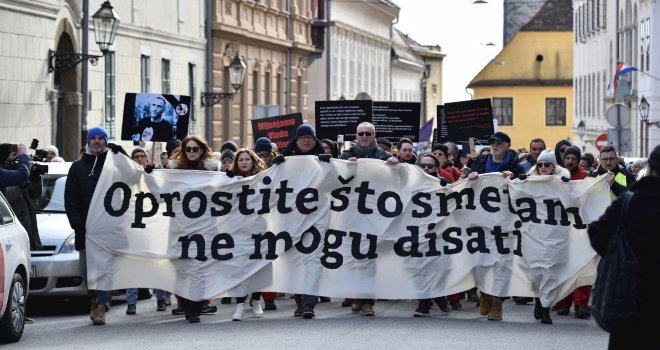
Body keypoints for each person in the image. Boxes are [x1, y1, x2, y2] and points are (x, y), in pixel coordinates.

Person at [587, 144, 660, 350]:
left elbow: (597, 234)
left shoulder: (630, 202)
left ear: (651, 170)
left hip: (630, 292)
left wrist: (617, 254)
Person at [64, 126, 126, 325]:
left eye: (101, 138)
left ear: (106, 141)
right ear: (88, 142)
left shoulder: (113, 164)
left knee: (106, 267)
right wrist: (76, 224)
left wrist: (122, 153)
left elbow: (133, 174)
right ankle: (94, 297)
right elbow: (70, 198)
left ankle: (102, 303)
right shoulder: (77, 167)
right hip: (85, 230)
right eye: (94, 138)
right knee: (87, 268)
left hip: (109, 227)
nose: (97, 141)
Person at [339, 122, 398, 316]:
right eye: (360, 133)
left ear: (374, 135)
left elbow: (397, 181)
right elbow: (337, 180)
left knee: (370, 257)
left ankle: (368, 301)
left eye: (368, 133)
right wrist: (348, 168)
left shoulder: (384, 156)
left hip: (375, 214)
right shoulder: (346, 156)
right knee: (354, 257)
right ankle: (357, 295)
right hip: (352, 215)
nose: (364, 136)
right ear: (356, 136)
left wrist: (394, 167)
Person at [467, 131, 524, 321]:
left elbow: (525, 187)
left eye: (499, 142)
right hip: (482, 222)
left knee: (502, 264)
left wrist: (514, 176)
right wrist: (471, 177)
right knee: (481, 261)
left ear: (508, 145)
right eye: (492, 142)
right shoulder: (480, 163)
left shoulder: (516, 166)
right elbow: (464, 180)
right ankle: (485, 293)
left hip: (505, 224)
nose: (495, 145)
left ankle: (498, 302)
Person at [168, 135, 220, 323]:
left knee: (200, 268)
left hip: (204, 227)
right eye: (188, 149)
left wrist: (230, 177)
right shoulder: (173, 172)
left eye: (195, 149)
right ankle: (187, 303)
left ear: (202, 150)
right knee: (183, 268)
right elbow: (161, 194)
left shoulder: (213, 171)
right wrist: (148, 174)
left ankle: (196, 307)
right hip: (181, 227)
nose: (191, 152)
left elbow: (225, 192)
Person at [551, 145, 591, 320]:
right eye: (568, 158)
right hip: (561, 230)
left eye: (574, 159)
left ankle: (581, 304)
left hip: (580, 231)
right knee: (563, 267)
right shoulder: (556, 177)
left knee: (581, 268)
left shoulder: (585, 178)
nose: (570, 161)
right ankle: (564, 303)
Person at [230, 148, 268, 321]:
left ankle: (256, 301)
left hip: (258, 228)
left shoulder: (262, 179)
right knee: (240, 267)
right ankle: (239, 305)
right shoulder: (229, 180)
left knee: (257, 267)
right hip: (238, 231)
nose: (244, 162)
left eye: (247, 159)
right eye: (240, 160)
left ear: (253, 161)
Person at [0, 143, 43, 250]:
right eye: (15, 155)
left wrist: (35, 178)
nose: (19, 158)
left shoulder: (22, 171)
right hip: (11, 235)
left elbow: (35, 194)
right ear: (4, 158)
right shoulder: (7, 177)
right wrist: (22, 181)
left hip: (27, 228)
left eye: (20, 155)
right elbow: (7, 198)